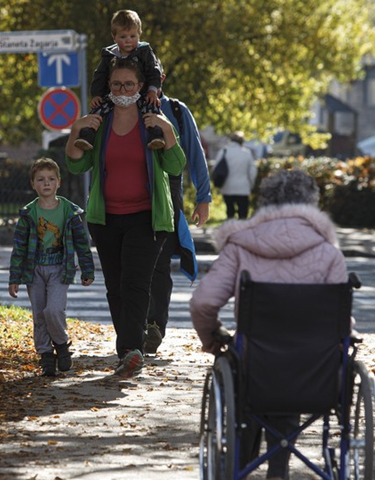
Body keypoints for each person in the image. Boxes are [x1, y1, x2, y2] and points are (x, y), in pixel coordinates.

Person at [189, 168, 347, 480]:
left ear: (265, 202)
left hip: (254, 361)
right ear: (312, 205)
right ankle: (279, 466)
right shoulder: (329, 254)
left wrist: (212, 338)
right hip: (314, 367)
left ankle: (242, 460)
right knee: (299, 365)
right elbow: (341, 319)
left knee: (245, 365)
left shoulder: (239, 246)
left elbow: (203, 303)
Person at [65, 57, 186, 378]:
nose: (122, 90)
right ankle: (128, 349)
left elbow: (175, 167)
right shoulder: (99, 124)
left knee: (135, 283)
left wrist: (169, 133)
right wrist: (76, 129)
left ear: (139, 88)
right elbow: (77, 165)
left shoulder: (153, 122)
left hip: (148, 218)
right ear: (109, 87)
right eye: (116, 84)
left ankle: (131, 350)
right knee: (116, 287)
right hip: (105, 220)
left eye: (129, 85)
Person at [144, 66, 212, 354]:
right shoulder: (123, 109)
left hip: (168, 199)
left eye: (154, 77)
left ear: (161, 80)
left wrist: (203, 197)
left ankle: (154, 326)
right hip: (129, 195)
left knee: (159, 266)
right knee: (131, 267)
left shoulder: (177, 111)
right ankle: (135, 327)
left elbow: (195, 154)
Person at [8, 158, 96, 377]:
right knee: (39, 314)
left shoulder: (69, 212)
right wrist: (14, 277)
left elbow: (81, 243)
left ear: (59, 183)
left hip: (60, 268)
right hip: (34, 269)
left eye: (51, 179)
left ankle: (61, 344)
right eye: (40, 180)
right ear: (33, 184)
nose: (46, 183)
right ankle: (46, 355)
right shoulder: (28, 214)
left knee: (53, 310)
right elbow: (18, 248)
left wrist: (87, 269)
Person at [73, 9, 165, 152]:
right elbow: (100, 75)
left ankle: (156, 135)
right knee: (99, 108)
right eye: (123, 36)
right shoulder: (109, 55)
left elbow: (154, 71)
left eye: (133, 36)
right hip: (115, 94)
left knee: (152, 108)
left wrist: (153, 90)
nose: (128, 40)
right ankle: (87, 135)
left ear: (139, 35)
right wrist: (96, 94)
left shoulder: (144, 52)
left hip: (141, 93)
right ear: (114, 37)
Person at [216, 131, 258, 219]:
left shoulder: (223, 152)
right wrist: (251, 185)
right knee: (243, 214)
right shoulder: (246, 153)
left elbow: (216, 169)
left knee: (230, 212)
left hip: (227, 187)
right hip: (243, 187)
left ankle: (231, 230)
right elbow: (252, 172)